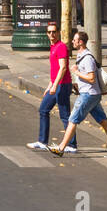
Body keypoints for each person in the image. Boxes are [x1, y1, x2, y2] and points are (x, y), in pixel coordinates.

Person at [49, 30, 107, 157]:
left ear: (80, 42)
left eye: (74, 40)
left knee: (72, 120)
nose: (72, 42)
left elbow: (91, 78)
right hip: (90, 93)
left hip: (88, 95)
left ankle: (61, 148)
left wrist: (76, 72)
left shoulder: (87, 58)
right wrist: (77, 85)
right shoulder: (81, 55)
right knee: (103, 121)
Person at [27, 21, 73, 152]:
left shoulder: (61, 47)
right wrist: (49, 85)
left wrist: (55, 85)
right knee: (43, 110)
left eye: (54, 32)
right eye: (49, 32)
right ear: (47, 34)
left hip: (62, 85)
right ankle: (42, 141)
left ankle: (72, 145)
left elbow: (63, 68)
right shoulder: (53, 47)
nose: (52, 34)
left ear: (58, 33)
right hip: (56, 84)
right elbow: (54, 69)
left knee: (65, 115)